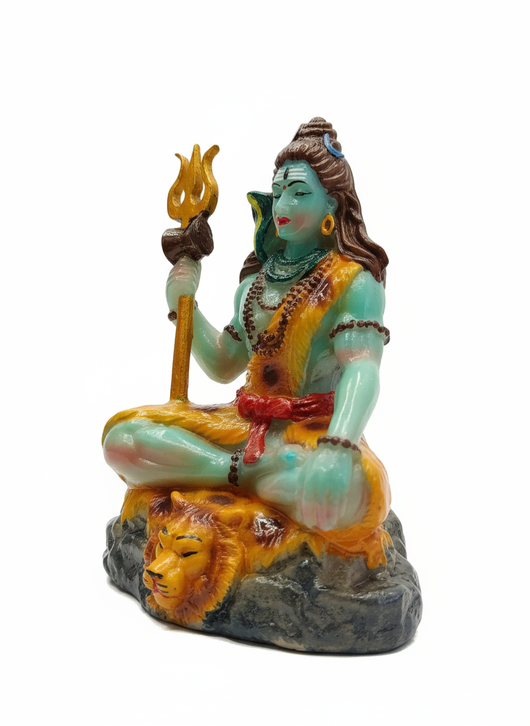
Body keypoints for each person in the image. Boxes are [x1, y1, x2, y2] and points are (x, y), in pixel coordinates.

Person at [103, 118, 391, 543]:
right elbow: (223, 363)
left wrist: (340, 445)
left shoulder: (354, 282)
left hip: (309, 435)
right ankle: (243, 475)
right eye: (278, 192)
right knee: (123, 439)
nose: (283, 204)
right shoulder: (255, 283)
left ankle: (229, 473)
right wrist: (183, 305)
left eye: (299, 193)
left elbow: (362, 368)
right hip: (243, 428)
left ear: (332, 204)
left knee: (353, 495)